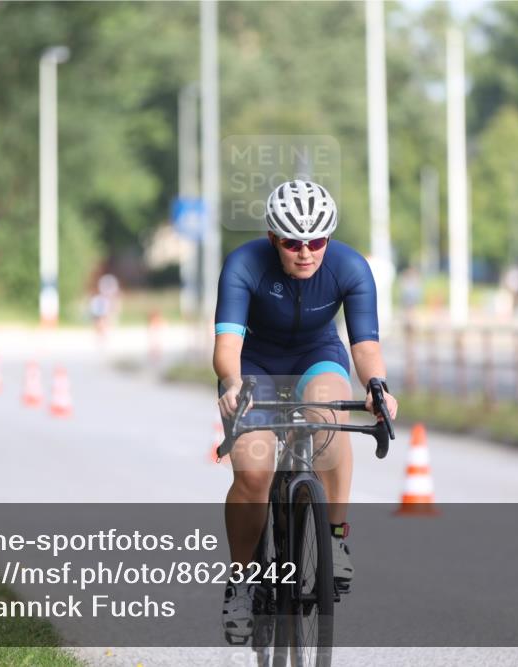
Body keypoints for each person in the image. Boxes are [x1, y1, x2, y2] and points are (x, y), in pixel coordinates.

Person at [213, 180, 398, 642]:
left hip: (316, 354)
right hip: (254, 365)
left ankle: (334, 535)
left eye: (316, 241)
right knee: (254, 471)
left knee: (330, 418)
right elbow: (226, 348)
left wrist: (377, 387)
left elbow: (366, 347)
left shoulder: (350, 267)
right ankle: (241, 581)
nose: (305, 252)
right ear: (273, 238)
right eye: (293, 242)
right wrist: (234, 384)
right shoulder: (244, 263)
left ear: (328, 239)